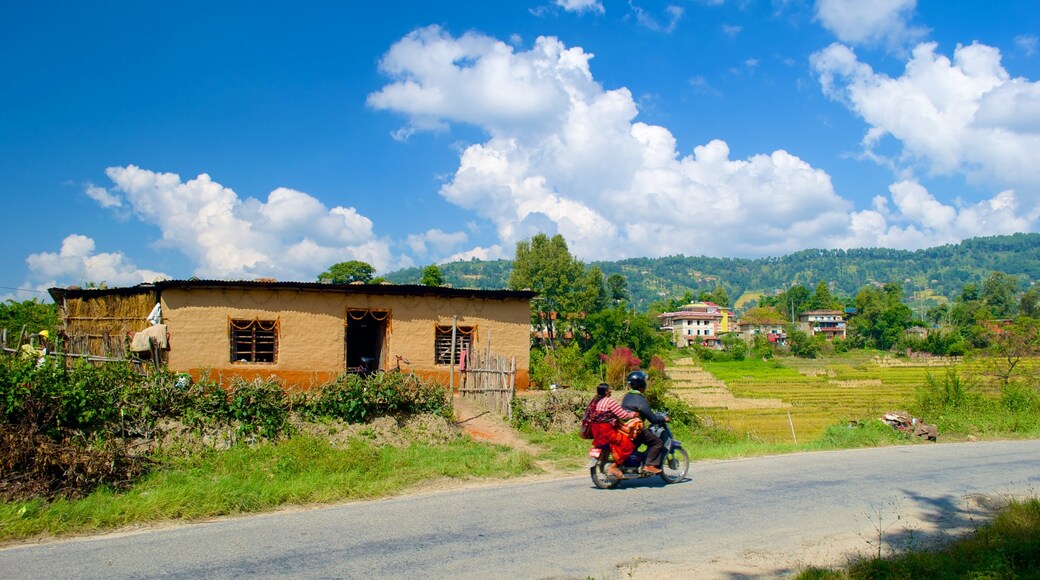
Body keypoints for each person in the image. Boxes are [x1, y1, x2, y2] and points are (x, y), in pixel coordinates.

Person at [621, 370, 668, 475]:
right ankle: (649, 465)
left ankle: (634, 463)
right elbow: (653, 419)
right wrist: (663, 418)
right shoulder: (640, 399)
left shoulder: (627, 396)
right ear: (642, 384)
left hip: (624, 428)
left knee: (638, 442)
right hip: (634, 430)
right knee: (657, 443)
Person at [587, 383, 638, 479]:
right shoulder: (609, 401)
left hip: (596, 430)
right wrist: (633, 414)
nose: (611, 391)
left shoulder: (595, 402)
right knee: (627, 445)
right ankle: (613, 467)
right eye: (610, 389)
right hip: (606, 430)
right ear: (607, 392)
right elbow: (623, 415)